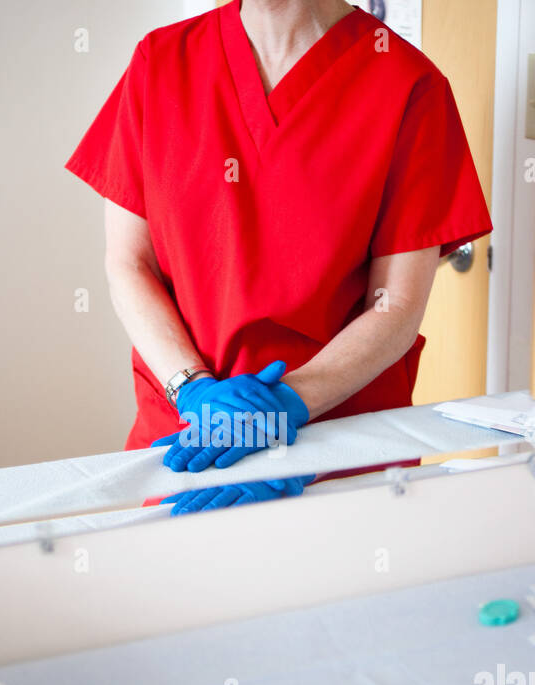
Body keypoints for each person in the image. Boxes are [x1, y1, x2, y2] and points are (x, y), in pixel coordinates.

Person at [66, 0, 491, 513]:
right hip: (189, 438)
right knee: (179, 587)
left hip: (333, 443)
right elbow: (130, 265)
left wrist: (288, 402)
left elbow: (394, 306)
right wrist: (194, 391)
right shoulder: (160, 62)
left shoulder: (408, 84)